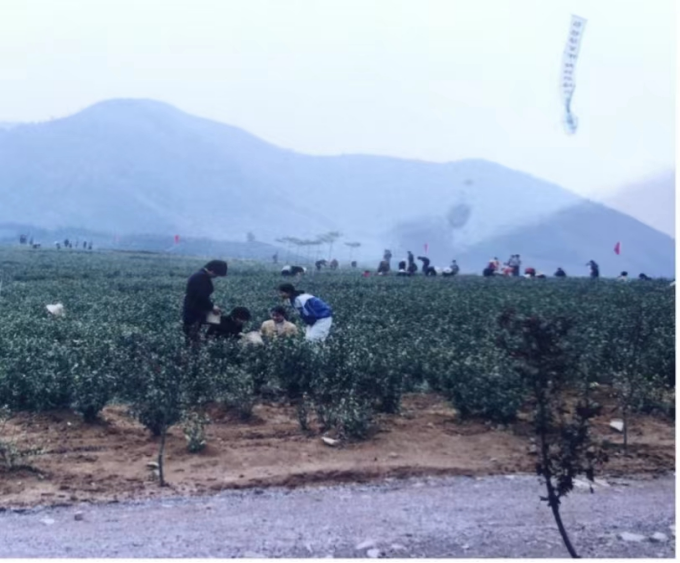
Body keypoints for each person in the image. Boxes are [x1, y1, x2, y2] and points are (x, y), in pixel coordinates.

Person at [182, 260, 228, 343]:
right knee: (193, 339)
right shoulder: (200, 277)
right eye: (216, 274)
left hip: (194, 312)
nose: (216, 277)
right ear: (212, 270)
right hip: (193, 314)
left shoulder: (200, 276)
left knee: (194, 338)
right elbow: (200, 297)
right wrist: (212, 306)